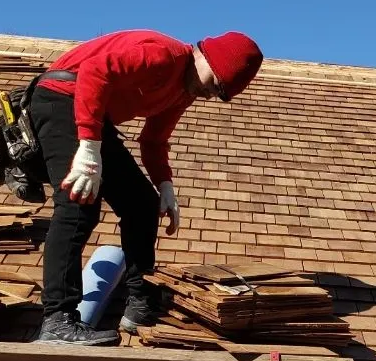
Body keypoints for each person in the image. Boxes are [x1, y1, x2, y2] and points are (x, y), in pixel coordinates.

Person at [29, 29, 263, 344]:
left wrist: (165, 186)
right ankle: (58, 319)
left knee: (142, 204)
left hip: (94, 116)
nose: (210, 94)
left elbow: (154, 140)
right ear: (207, 59)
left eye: (220, 94)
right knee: (79, 202)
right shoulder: (163, 55)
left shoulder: (184, 91)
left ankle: (139, 301)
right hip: (61, 97)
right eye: (215, 84)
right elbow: (95, 70)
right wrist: (88, 147)